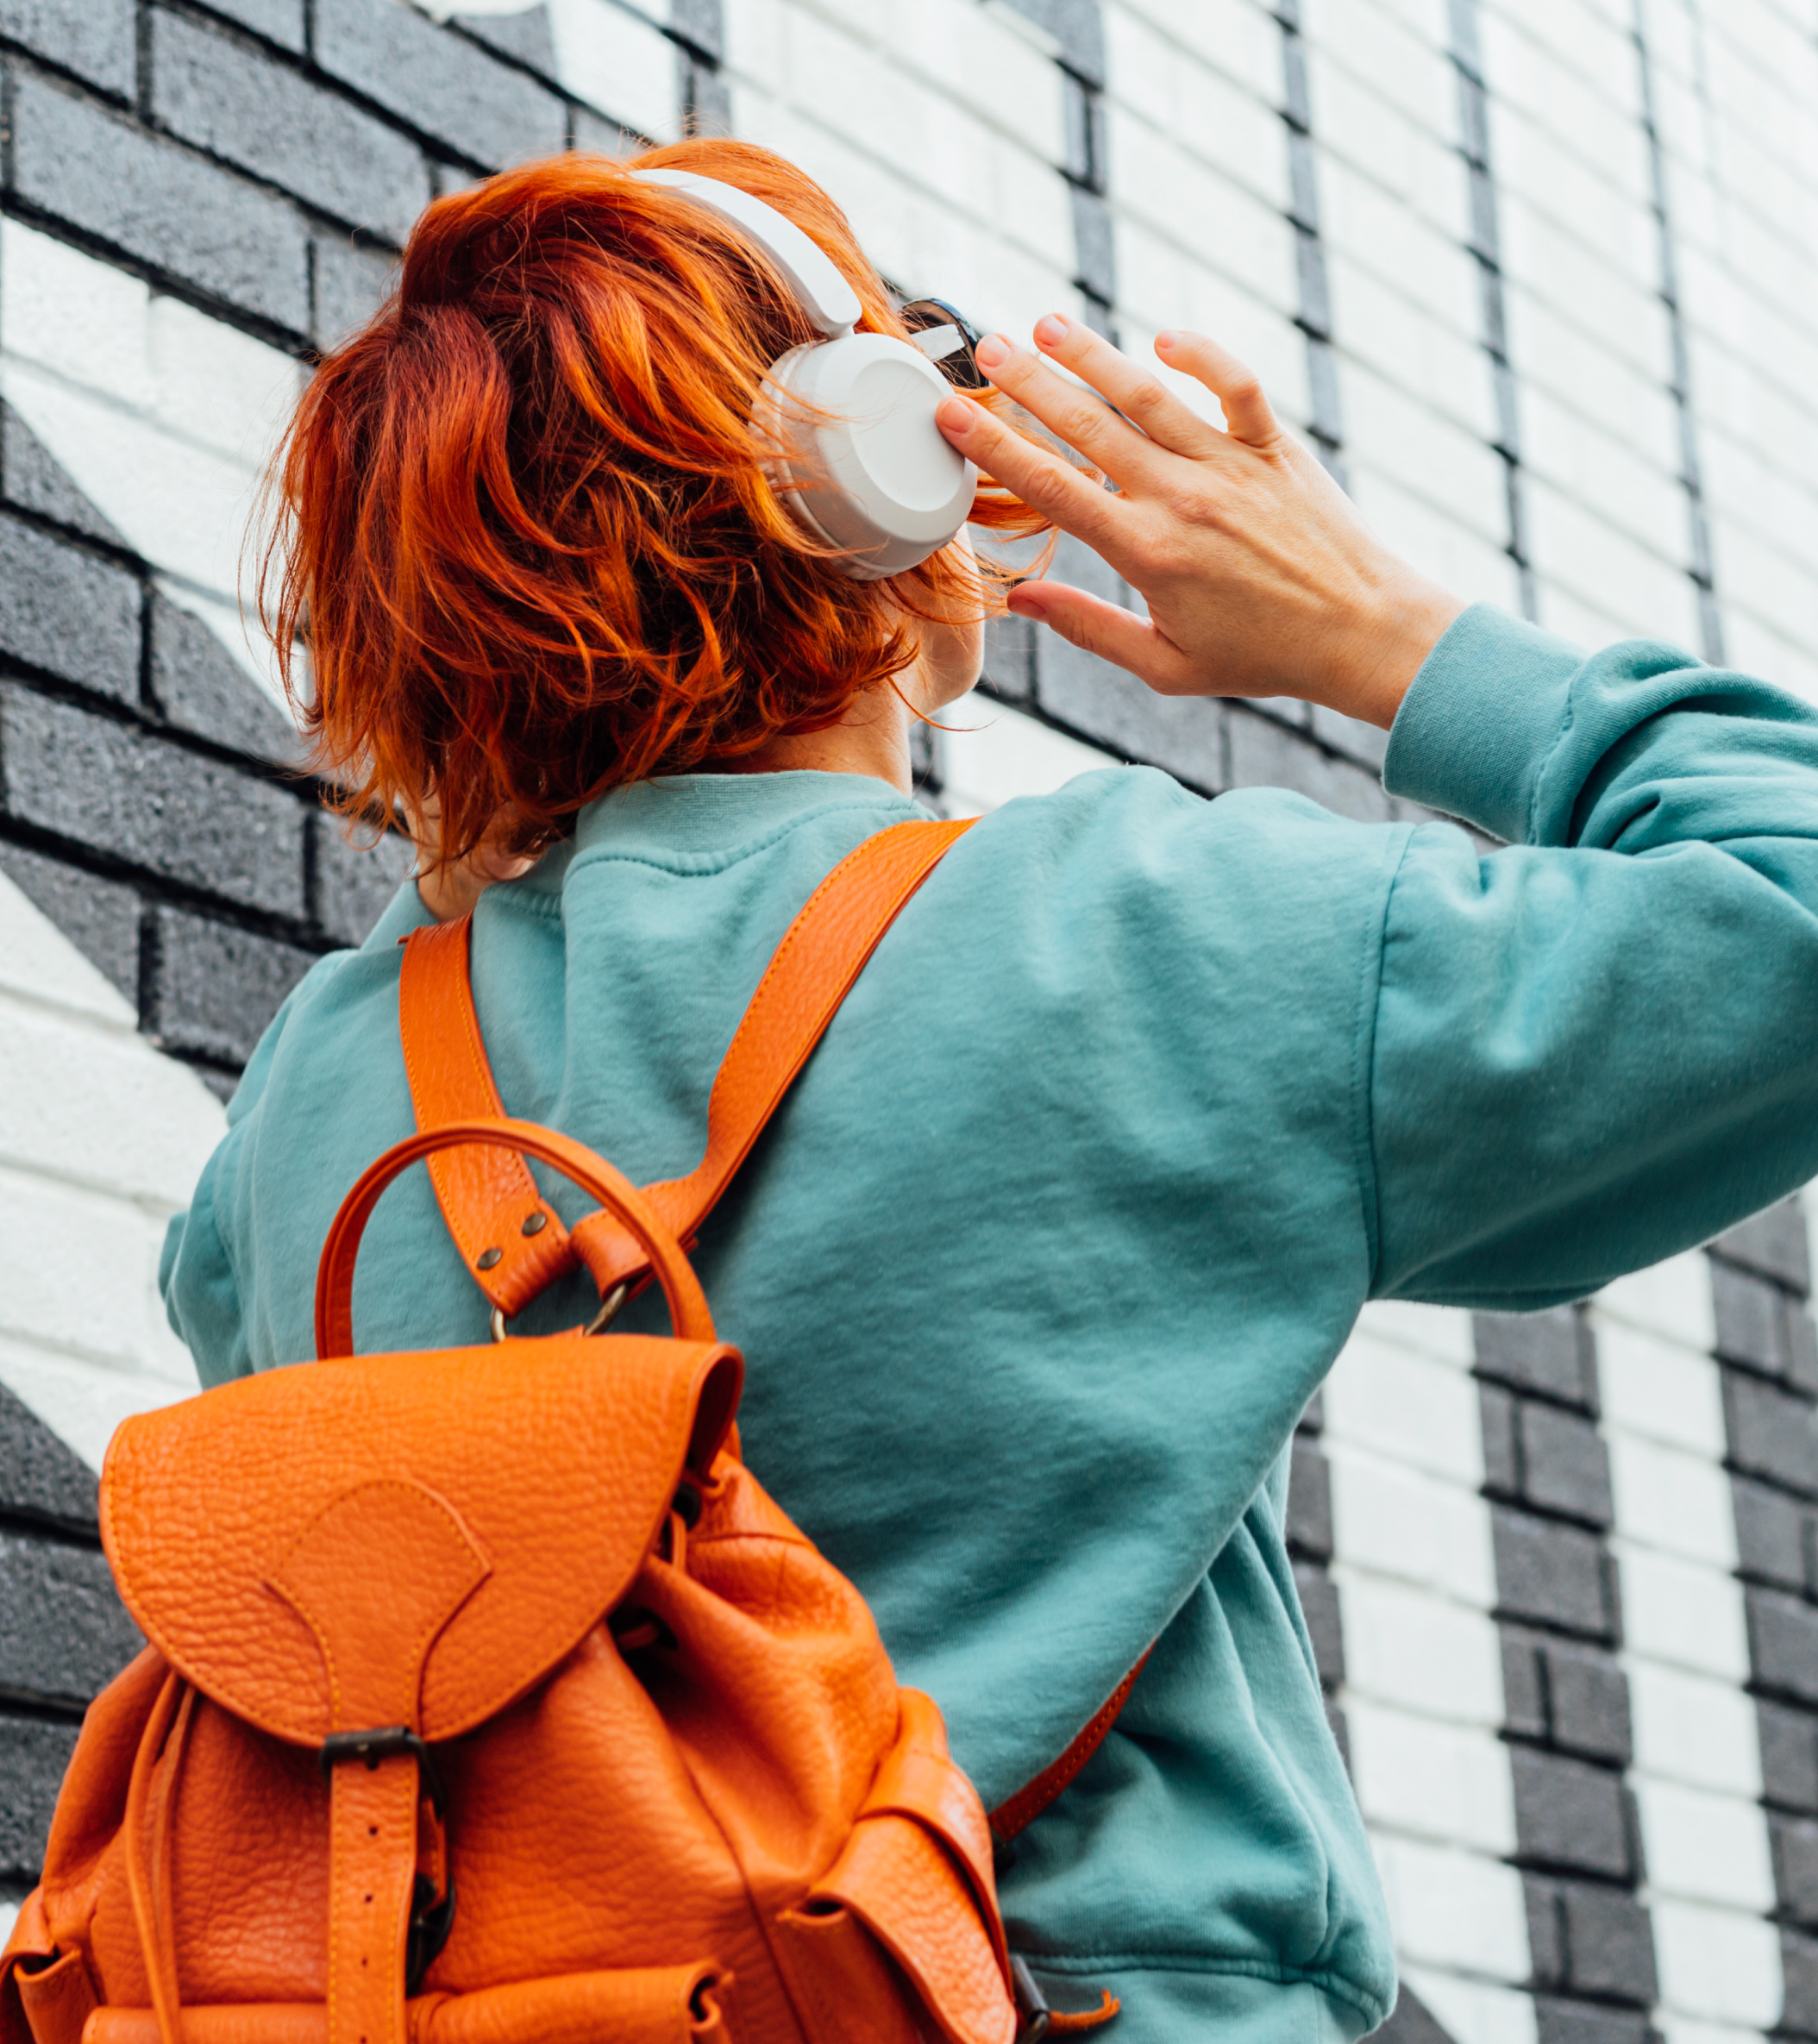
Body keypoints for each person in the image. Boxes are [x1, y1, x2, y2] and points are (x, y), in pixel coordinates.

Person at [160, 138, 1818, 2043]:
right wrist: (1378, 631)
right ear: (862, 471)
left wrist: (501, 770)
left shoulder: (315, 1094)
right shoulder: (1138, 929)